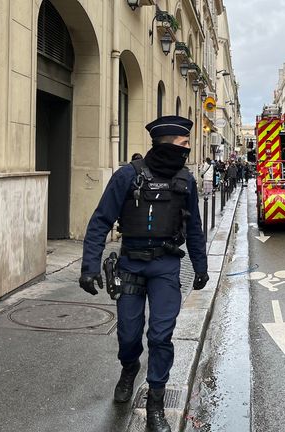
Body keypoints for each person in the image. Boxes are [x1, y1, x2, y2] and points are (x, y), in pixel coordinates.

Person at [78, 115, 209, 432]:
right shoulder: (127, 177)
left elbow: (193, 229)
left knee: (161, 336)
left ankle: (156, 404)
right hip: (131, 265)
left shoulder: (186, 181)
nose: (187, 149)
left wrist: (201, 267)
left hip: (165, 266)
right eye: (183, 144)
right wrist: (89, 265)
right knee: (127, 334)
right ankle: (129, 366)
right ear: (166, 144)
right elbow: (100, 221)